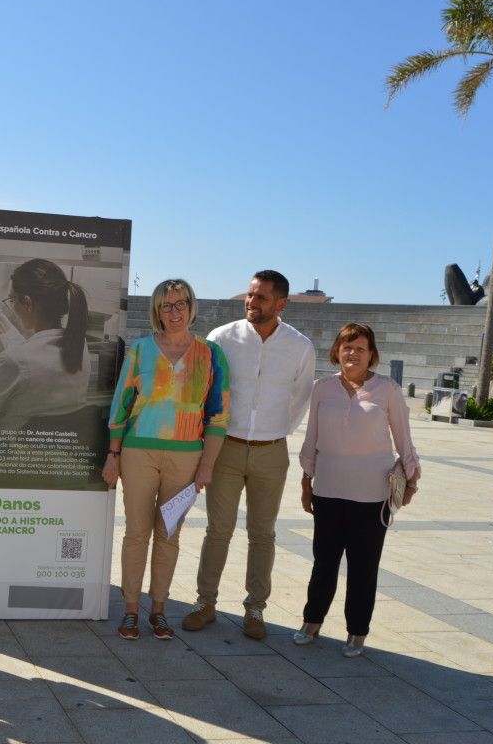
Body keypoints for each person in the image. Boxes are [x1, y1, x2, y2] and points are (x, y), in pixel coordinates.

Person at [184, 270, 315, 640]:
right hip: (225, 448)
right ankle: (204, 602)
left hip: (272, 453)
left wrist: (276, 431)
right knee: (218, 531)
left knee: (262, 534)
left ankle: (255, 608)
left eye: (261, 297)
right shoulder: (222, 338)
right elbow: (205, 390)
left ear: (281, 303)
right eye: (250, 294)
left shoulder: (299, 346)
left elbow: (301, 398)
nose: (251, 302)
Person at [103, 279, 229, 640]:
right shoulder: (141, 351)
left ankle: (158, 609)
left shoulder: (210, 354)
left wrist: (206, 466)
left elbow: (218, 416)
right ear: (157, 311)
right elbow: (121, 406)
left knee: (169, 534)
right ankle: (130, 610)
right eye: (167, 305)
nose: (175, 312)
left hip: (186, 458)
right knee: (137, 532)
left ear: (191, 306)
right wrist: (113, 456)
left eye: (181, 303)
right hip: (138, 452)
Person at [295, 323, 421, 657]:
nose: (352, 353)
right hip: (329, 490)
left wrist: (411, 479)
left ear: (371, 355)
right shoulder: (322, 388)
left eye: (360, 348)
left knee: (364, 567)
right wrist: (307, 481)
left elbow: (403, 439)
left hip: (371, 496)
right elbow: (311, 439)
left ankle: (357, 632)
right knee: (324, 562)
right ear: (337, 351)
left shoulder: (388, 390)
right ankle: (312, 622)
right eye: (347, 347)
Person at [0, 259, 90, 429]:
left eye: (12, 300)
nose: (12, 305)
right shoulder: (79, 345)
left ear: (27, 303)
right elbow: (29, 356)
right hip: (59, 449)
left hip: (17, 451)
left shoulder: (15, 359)